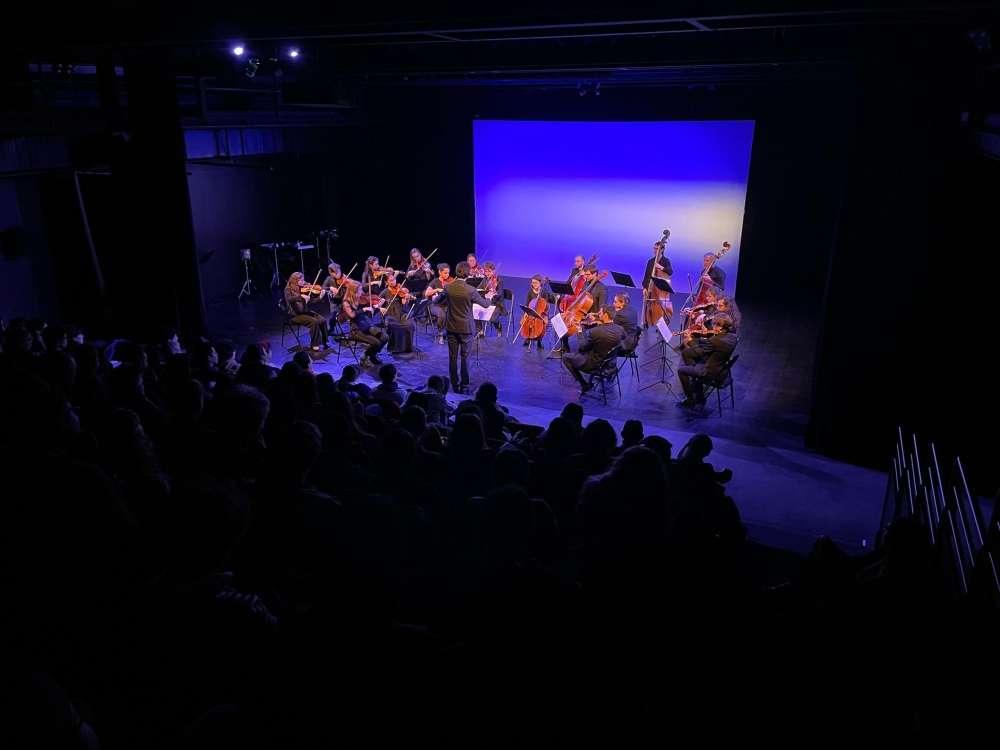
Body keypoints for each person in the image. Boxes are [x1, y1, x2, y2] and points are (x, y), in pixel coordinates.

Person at [431, 261, 492, 394]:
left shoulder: (448, 287)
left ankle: (454, 383)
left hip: (451, 327)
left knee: (452, 357)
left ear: (456, 272)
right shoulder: (470, 290)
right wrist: (489, 297)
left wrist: (436, 296)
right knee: (465, 357)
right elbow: (486, 305)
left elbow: (436, 301)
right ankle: (464, 385)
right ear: (468, 273)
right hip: (466, 329)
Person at [676, 313, 738, 408]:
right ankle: (697, 388)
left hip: (710, 371)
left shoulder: (715, 340)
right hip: (721, 368)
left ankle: (690, 399)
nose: (712, 326)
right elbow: (712, 346)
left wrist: (690, 341)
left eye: (714, 324)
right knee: (687, 353)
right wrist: (700, 339)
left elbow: (700, 353)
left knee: (681, 370)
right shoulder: (733, 336)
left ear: (720, 327)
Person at [562, 308, 624, 395]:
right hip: (609, 363)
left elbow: (583, 347)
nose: (598, 314)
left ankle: (584, 384)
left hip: (594, 364)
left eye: (600, 313)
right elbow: (622, 338)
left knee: (565, 357)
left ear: (606, 315)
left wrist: (579, 331)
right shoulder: (620, 329)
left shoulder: (595, 331)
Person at [339, 281, 388, 366]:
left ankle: (372, 355)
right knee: (376, 343)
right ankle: (364, 357)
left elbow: (370, 312)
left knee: (385, 337)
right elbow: (352, 315)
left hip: (367, 326)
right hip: (356, 330)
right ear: (353, 291)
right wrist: (363, 309)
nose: (361, 292)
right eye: (359, 290)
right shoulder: (346, 303)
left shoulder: (361, 299)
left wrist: (378, 308)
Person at [283, 272, 329, 351]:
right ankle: (314, 344)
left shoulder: (303, 289)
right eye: (301, 280)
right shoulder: (288, 290)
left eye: (303, 280)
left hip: (304, 312)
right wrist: (300, 296)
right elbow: (290, 299)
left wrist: (320, 297)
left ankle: (325, 341)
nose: (304, 282)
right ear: (295, 281)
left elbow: (312, 301)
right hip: (295, 315)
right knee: (314, 322)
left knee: (322, 320)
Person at [379, 274, 417, 354]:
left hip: (401, 314)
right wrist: (380, 308)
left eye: (394, 280)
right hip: (390, 315)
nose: (393, 282)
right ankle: (395, 348)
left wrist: (406, 298)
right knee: (395, 326)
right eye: (391, 280)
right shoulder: (384, 292)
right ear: (386, 282)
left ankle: (407, 347)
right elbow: (377, 304)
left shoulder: (399, 290)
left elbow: (404, 303)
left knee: (411, 324)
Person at [521, 274, 554, 350]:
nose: (534, 284)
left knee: (543, 323)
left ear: (540, 283)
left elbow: (545, 305)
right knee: (524, 320)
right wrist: (525, 314)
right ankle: (528, 337)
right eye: (532, 283)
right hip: (531, 312)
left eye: (535, 283)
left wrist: (544, 316)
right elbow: (527, 304)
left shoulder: (544, 292)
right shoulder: (530, 292)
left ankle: (539, 340)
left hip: (541, 313)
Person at [424, 263, 453, 344]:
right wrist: (436, 289)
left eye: (448, 273)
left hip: (447, 304)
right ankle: (440, 333)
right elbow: (427, 293)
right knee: (442, 314)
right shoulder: (435, 281)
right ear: (440, 272)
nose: (447, 275)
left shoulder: (451, 280)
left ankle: (452, 332)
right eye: (445, 273)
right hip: (435, 305)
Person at [476, 261, 506, 337]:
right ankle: (480, 331)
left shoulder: (498, 280)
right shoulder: (485, 279)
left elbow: (500, 294)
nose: (487, 273)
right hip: (486, 302)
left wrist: (493, 294)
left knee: (492, 318)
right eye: (486, 271)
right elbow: (479, 288)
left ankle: (499, 327)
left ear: (493, 271)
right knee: (475, 310)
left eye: (489, 271)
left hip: (497, 303)